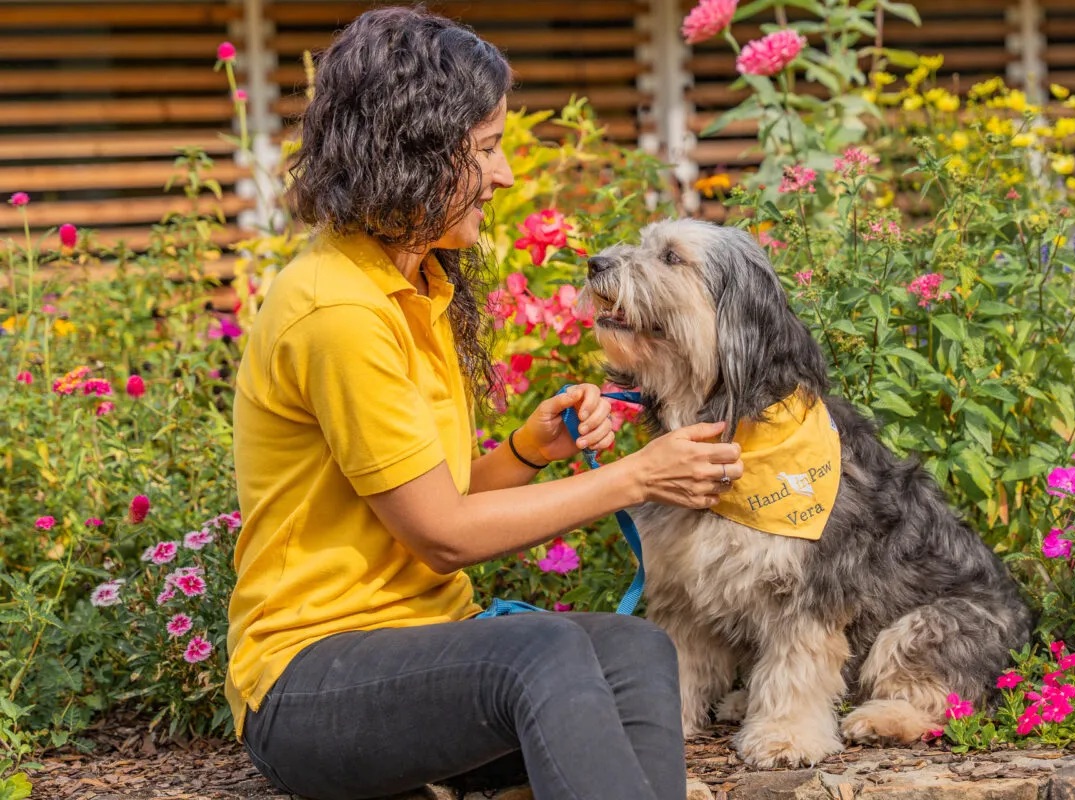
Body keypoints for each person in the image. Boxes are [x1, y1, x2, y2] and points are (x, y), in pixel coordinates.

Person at [225, 6, 745, 800]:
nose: (503, 176)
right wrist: (638, 476)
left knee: (637, 650)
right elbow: (442, 537)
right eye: (487, 149)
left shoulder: (415, 282)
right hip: (309, 685)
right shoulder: (339, 310)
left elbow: (433, 499)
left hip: (423, 655)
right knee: (541, 654)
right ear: (414, 150)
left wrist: (529, 454)